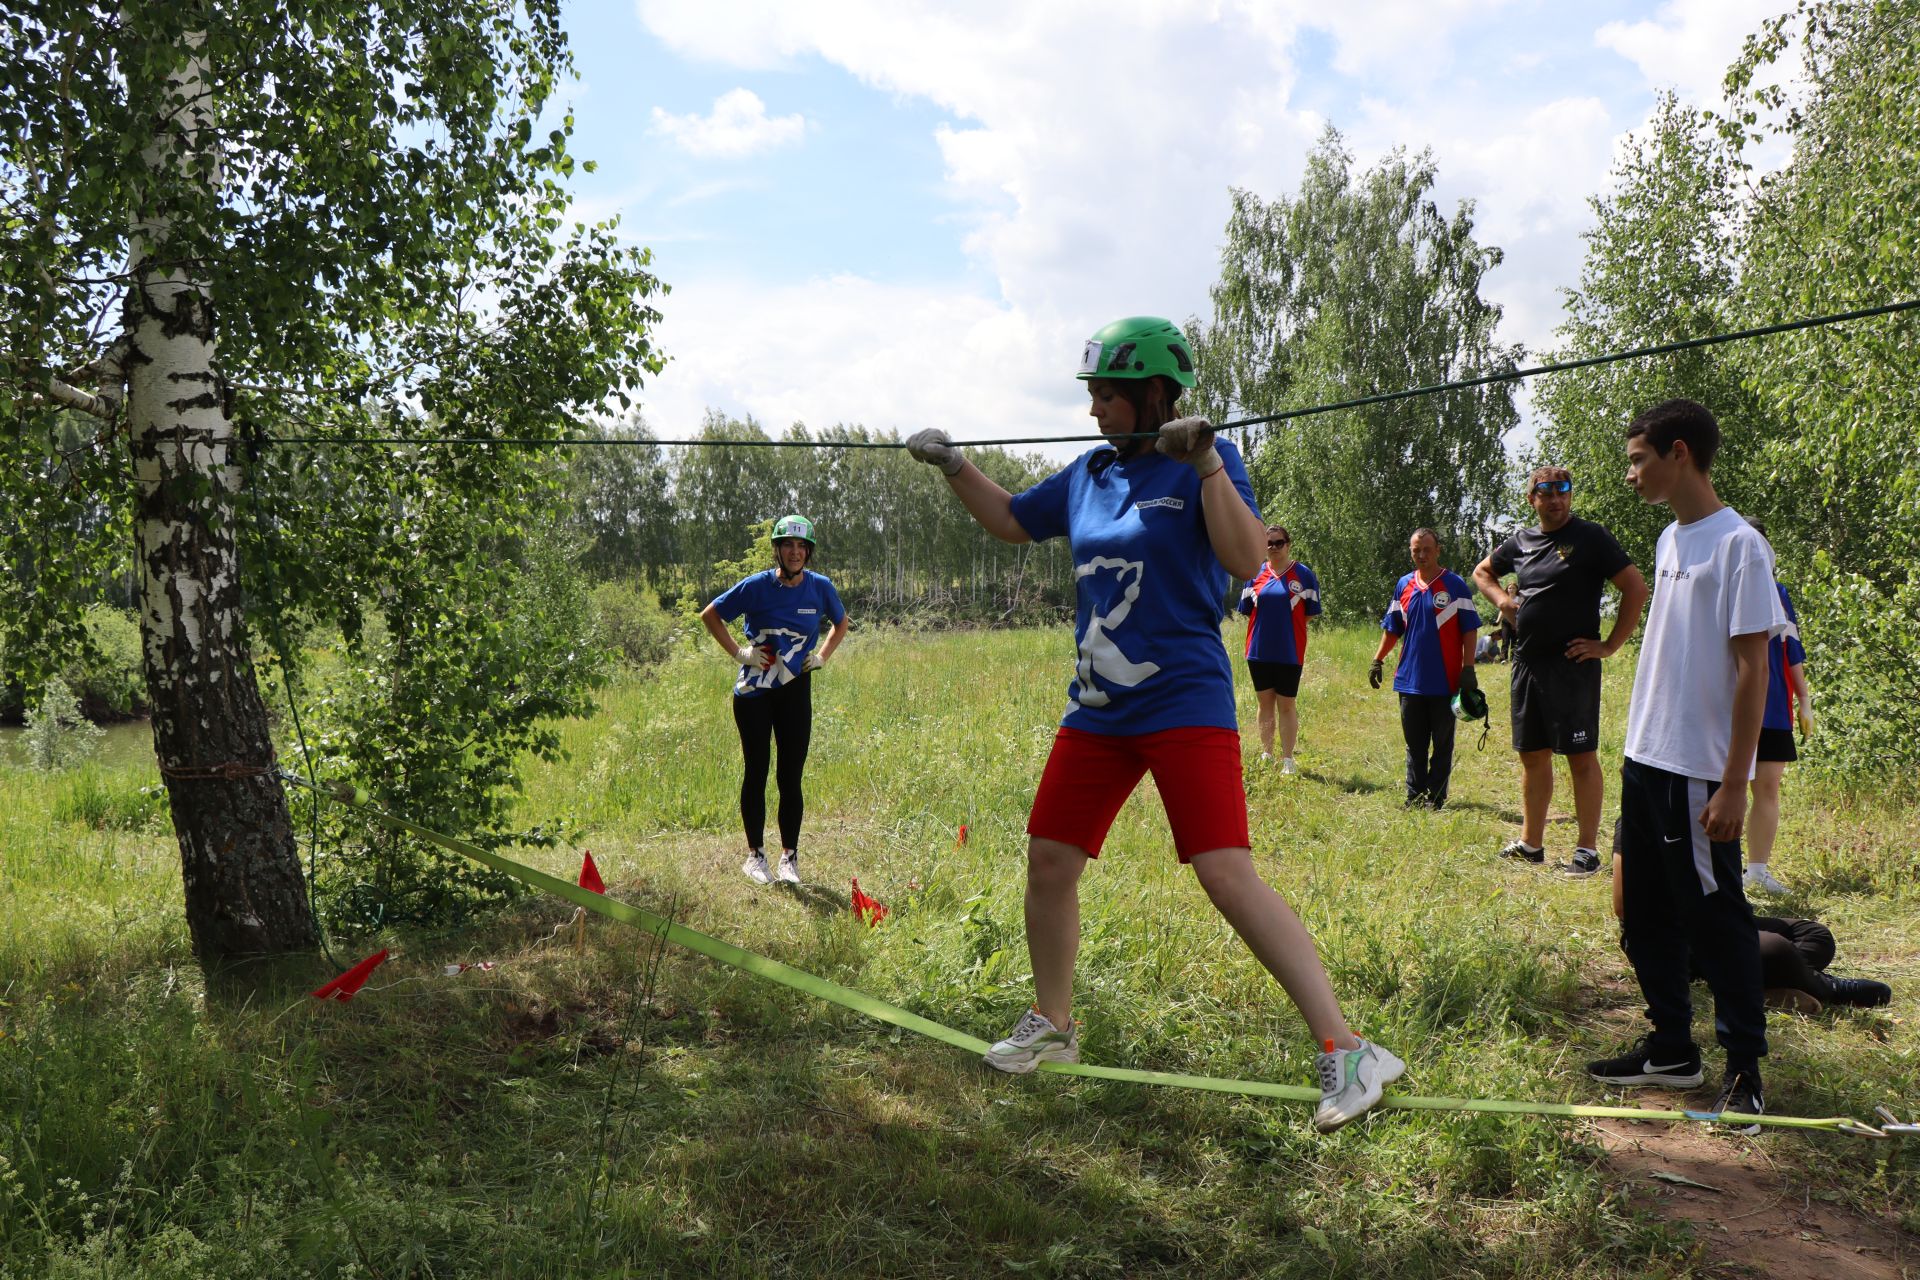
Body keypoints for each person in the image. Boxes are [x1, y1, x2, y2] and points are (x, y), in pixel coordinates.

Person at [903, 316, 1403, 1133]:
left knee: (1225, 874)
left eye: (1107, 394)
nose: (1095, 408)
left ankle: (1348, 1048)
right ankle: (1054, 1026)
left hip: (1182, 702)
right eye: (1093, 394)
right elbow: (1013, 521)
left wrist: (1206, 461)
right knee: (1050, 861)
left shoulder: (1208, 462)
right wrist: (957, 466)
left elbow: (1246, 561)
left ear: (1154, 395)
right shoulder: (1088, 472)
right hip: (1098, 707)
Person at [1586, 399, 1785, 1134]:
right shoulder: (1672, 539)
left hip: (1699, 773)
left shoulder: (1737, 545)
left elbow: (1752, 671)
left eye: (1639, 459)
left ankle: (1744, 1076)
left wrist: (1735, 781)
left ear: (1678, 453)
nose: (1632, 473)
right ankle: (1672, 1049)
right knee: (1641, 917)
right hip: (1646, 759)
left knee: (1715, 920)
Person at [1472, 465, 1648, 876]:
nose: (1555, 500)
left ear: (1570, 496)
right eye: (1546, 493)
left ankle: (1587, 849)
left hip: (1573, 667)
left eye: (1562, 492)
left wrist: (1608, 645)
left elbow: (1635, 588)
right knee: (1532, 755)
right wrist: (1503, 601)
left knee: (1580, 756)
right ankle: (1532, 843)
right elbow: (1484, 573)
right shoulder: (1521, 541)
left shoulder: (1592, 538)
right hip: (1528, 664)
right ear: (1532, 499)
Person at [699, 515, 849, 886]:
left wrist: (823, 656)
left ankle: (789, 859)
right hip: (753, 692)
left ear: (808, 552)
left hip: (795, 690)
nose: (795, 552)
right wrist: (739, 653)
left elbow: (841, 622)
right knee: (757, 771)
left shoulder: (820, 587)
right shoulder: (756, 586)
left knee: (790, 777)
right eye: (788, 545)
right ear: (777, 550)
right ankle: (754, 857)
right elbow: (711, 615)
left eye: (801, 547)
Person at [1609, 837, 1890, 1013]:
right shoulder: (1637, 819)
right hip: (1668, 936)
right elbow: (1624, 906)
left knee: (1815, 935)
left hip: (1712, 920)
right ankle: (1828, 989)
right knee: (1776, 950)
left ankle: (1757, 986)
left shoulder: (1704, 805)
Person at [1370, 529, 1481, 809]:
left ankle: (1437, 797)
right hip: (1409, 680)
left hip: (1445, 681)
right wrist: (1378, 659)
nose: (1421, 555)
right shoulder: (1404, 584)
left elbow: (1469, 629)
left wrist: (1468, 669)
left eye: (1427, 549)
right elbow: (1393, 628)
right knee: (1415, 745)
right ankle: (1415, 796)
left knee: (1442, 745)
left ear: (1438, 550)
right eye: (1416, 550)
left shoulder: (1454, 585)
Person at [1741, 519, 1814, 897]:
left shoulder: (1779, 592)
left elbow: (1792, 651)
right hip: (1728, 708)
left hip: (1772, 710)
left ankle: (1757, 871)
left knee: (1766, 788)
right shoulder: (1722, 589)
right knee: (1726, 786)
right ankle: (1720, 869)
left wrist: (1805, 700)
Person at [1235, 524, 1321, 773]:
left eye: (1278, 542)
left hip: (1290, 651)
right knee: (1264, 704)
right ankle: (1267, 752)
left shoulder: (1304, 575)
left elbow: (1309, 614)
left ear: (1288, 544)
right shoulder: (1254, 573)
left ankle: (1287, 759)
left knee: (1286, 704)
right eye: (1268, 543)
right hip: (1258, 650)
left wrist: (1287, 628)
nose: (1273, 548)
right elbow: (1247, 612)